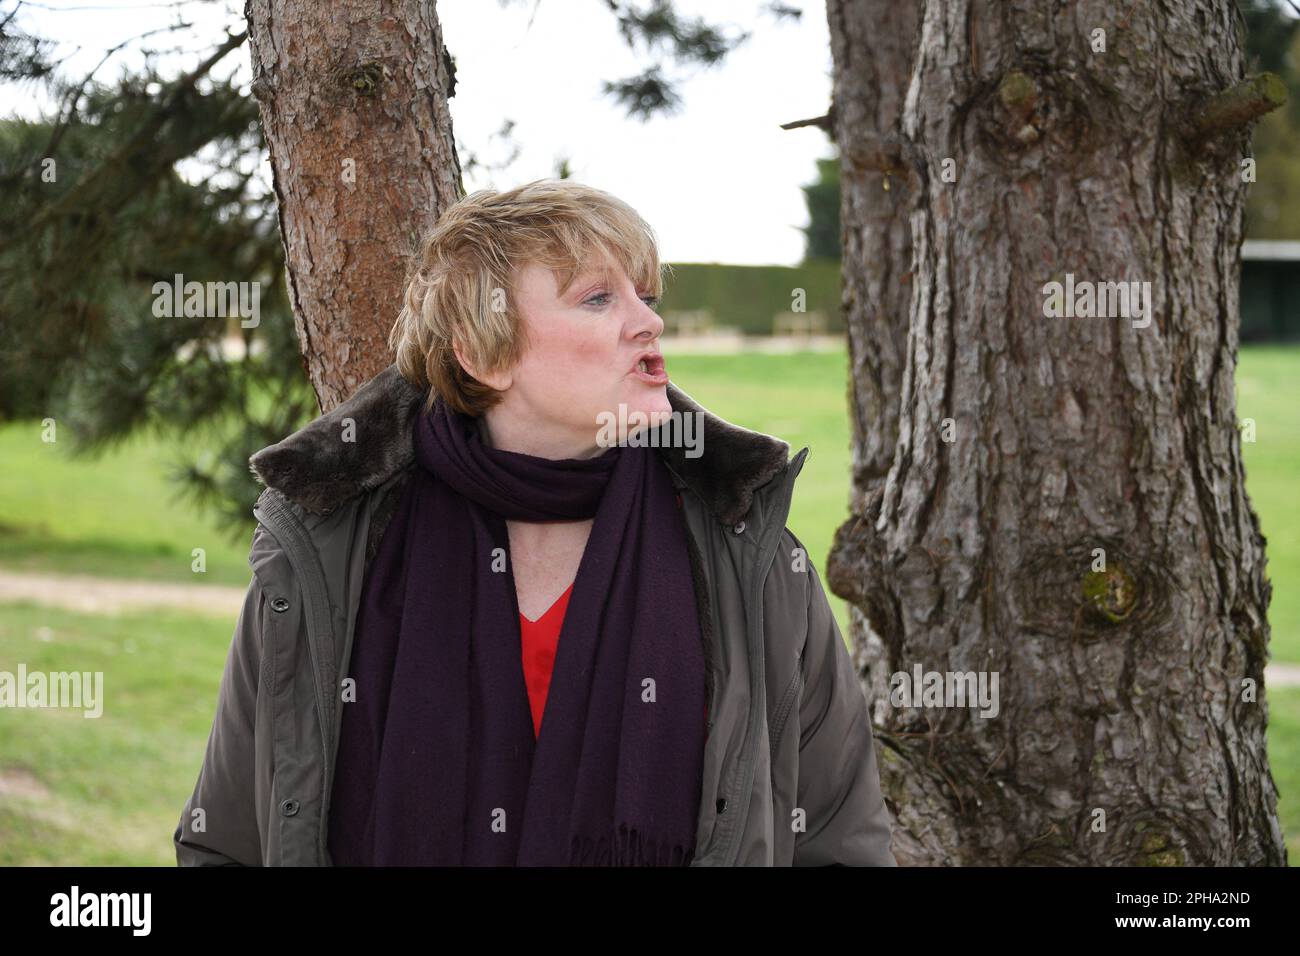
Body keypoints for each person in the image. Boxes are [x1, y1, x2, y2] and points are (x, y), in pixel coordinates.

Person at [172, 178, 896, 866]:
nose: (649, 321)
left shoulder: (744, 547)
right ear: (484, 354)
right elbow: (228, 840)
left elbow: (838, 843)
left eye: (644, 295)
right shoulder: (334, 547)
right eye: (597, 299)